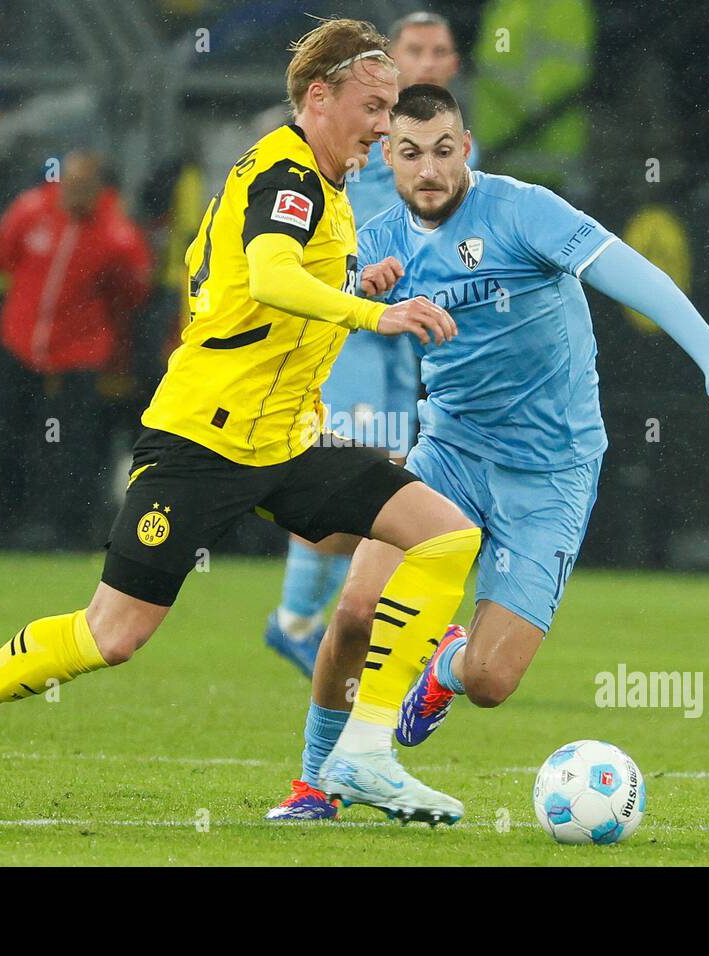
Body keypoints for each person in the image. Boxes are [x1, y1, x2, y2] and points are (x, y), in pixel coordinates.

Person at [0, 19, 484, 826]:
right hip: (202, 438)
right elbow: (273, 275)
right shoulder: (288, 173)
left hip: (289, 438)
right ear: (320, 96)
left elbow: (259, 278)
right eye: (375, 105)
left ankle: (365, 749)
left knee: (447, 535)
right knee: (112, 636)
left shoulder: (330, 183)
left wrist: (364, 279)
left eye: (392, 109)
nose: (386, 124)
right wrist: (368, 313)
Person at [267, 85, 709, 821]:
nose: (428, 169)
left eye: (443, 150)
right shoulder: (373, 243)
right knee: (356, 613)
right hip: (451, 449)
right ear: (388, 160)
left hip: (551, 470)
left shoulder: (523, 210)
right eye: (409, 154)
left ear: (465, 148)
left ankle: (444, 667)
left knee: (493, 679)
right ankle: (315, 784)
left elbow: (634, 273)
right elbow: (297, 312)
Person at [262, 10, 475, 675]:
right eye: (415, 48)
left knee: (373, 482)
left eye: (441, 50)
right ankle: (312, 621)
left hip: (400, 343)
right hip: (349, 335)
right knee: (364, 482)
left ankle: (308, 620)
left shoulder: (453, 147)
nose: (429, 60)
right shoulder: (357, 140)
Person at [0, 151, 154, 549]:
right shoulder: (30, 212)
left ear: (99, 188)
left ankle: (66, 530)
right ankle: (1, 526)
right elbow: (4, 257)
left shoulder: (116, 234)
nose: (72, 193)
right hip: (20, 345)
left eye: (82, 186)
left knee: (73, 448)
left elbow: (133, 291)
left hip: (79, 356)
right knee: (8, 437)